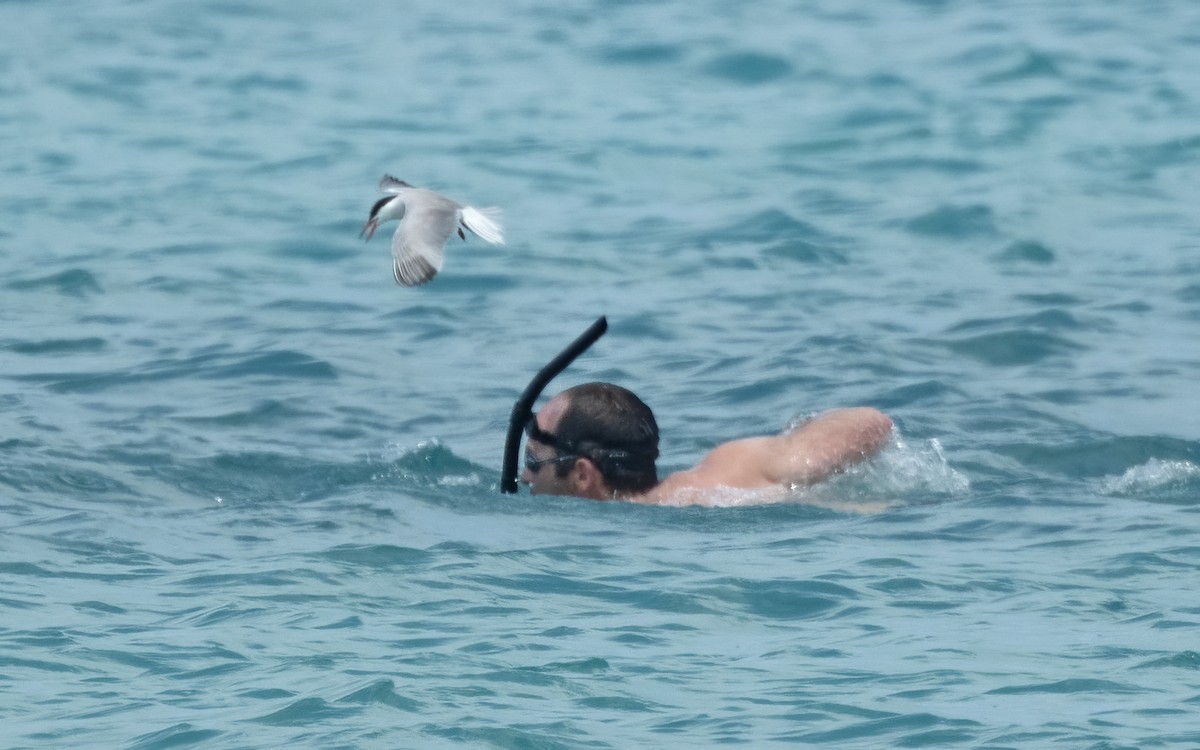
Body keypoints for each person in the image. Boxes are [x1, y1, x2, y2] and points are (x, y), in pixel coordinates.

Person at [520, 381, 893, 505]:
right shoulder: (731, 466)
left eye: (534, 461)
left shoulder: (703, 494)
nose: (524, 476)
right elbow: (875, 421)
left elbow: (873, 423)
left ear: (583, 475)